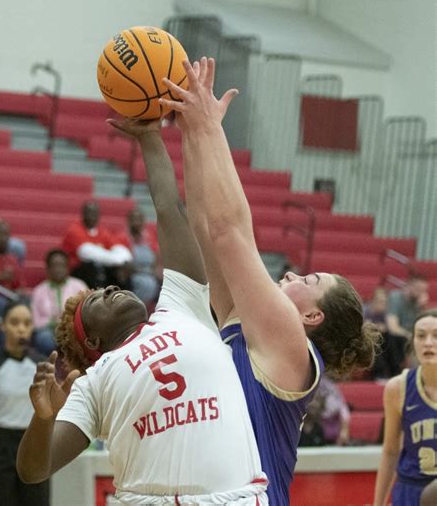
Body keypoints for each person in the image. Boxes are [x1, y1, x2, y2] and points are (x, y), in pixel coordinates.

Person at [159, 57, 380, 505]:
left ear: (312, 314)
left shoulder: (291, 345)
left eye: (310, 279)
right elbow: (206, 227)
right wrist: (191, 134)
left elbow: (230, 232)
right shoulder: (254, 329)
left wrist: (210, 131)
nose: (294, 273)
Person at [16, 118, 268, 504]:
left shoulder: (181, 305)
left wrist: (150, 138)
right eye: (98, 299)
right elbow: (34, 470)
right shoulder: (93, 382)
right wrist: (44, 419)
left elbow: (169, 209)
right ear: (94, 340)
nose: (113, 288)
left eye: (108, 287)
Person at [0, 301, 49, 506]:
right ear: (3, 325)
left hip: (34, 447)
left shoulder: (42, 366)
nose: (21, 328)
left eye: (26, 323)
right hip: (1, 449)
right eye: (14, 323)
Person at [373, 309, 437, 506]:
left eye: (436, 336)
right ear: (413, 343)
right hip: (411, 491)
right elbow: (391, 451)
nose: (428, 342)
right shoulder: (398, 388)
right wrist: (378, 503)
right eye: (420, 336)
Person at [62, 200, 133, 289]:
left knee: (122, 270)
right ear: (83, 214)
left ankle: (121, 299)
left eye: (95, 214)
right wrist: (118, 260)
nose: (92, 216)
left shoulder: (103, 232)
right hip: (78, 270)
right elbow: (87, 252)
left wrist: (123, 262)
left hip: (99, 268)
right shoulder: (74, 230)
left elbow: (120, 248)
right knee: (93, 267)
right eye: (89, 213)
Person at [31, 249, 87, 355]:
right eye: (54, 265)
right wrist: (52, 323)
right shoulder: (39, 290)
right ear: (47, 269)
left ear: (67, 268)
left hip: (72, 329)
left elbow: (86, 312)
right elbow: (35, 320)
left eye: (61, 265)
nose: (58, 269)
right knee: (44, 338)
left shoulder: (79, 286)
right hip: (48, 331)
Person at [386, 274, 429, 376]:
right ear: (409, 286)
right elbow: (393, 327)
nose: (421, 293)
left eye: (424, 290)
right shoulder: (395, 297)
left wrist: (422, 308)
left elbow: (425, 326)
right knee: (398, 339)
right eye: (418, 289)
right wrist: (410, 335)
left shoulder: (418, 303)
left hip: (413, 335)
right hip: (398, 336)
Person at [117, 207, 161, 306]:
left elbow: (155, 258)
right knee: (144, 284)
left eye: (139, 219)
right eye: (134, 219)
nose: (136, 223)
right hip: (132, 274)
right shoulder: (122, 237)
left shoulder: (149, 238)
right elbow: (124, 264)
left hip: (149, 273)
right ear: (128, 221)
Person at [364, 288, 392, 379]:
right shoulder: (365, 310)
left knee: (391, 338)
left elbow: (388, 327)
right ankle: (378, 373)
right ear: (372, 301)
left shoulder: (383, 314)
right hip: (364, 339)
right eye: (380, 301)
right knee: (375, 338)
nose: (382, 304)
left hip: (381, 340)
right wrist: (379, 327)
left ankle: (393, 371)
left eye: (384, 302)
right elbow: (366, 326)